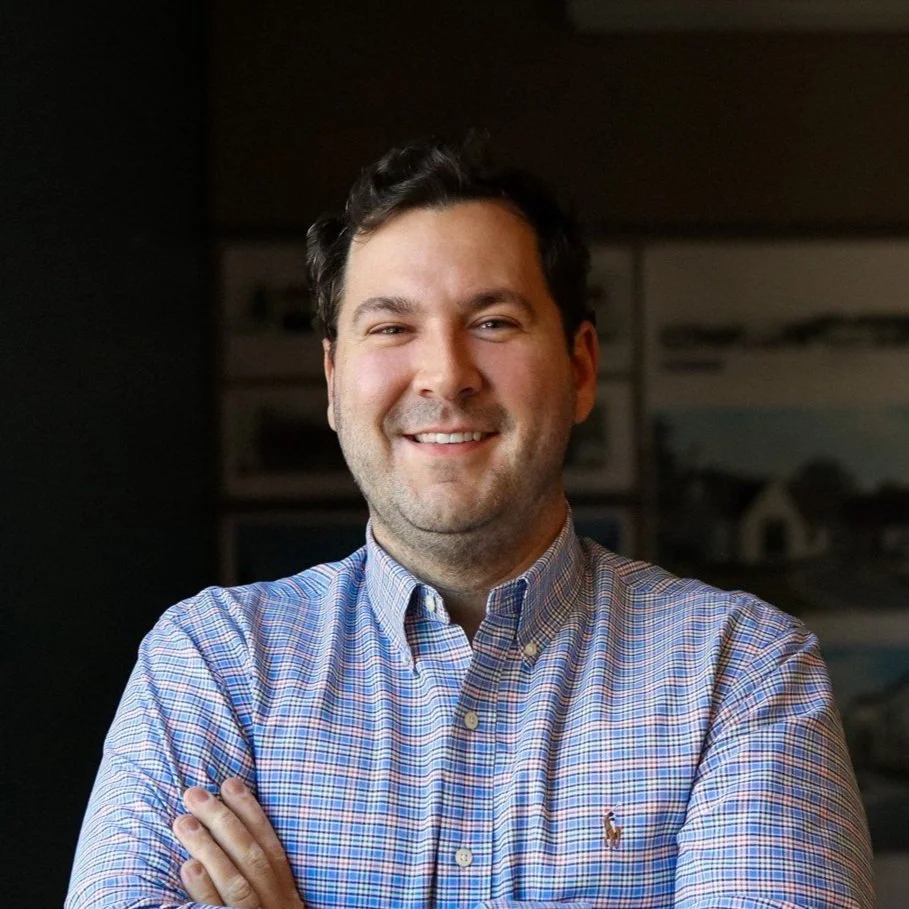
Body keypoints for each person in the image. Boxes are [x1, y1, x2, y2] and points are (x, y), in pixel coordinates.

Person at [66, 137, 875, 909]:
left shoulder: (741, 673)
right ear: (332, 378)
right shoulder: (211, 665)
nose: (446, 373)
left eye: (493, 321)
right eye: (390, 327)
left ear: (580, 367)